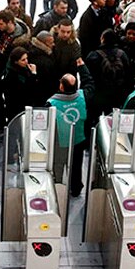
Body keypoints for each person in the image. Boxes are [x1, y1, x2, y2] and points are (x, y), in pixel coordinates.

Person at [48, 64, 95, 196]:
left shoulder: (51, 103)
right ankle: (76, 187)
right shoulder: (83, 96)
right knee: (76, 165)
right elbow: (90, 82)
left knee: (58, 164)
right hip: (79, 138)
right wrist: (82, 66)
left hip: (60, 141)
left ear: (61, 87)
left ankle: (57, 186)